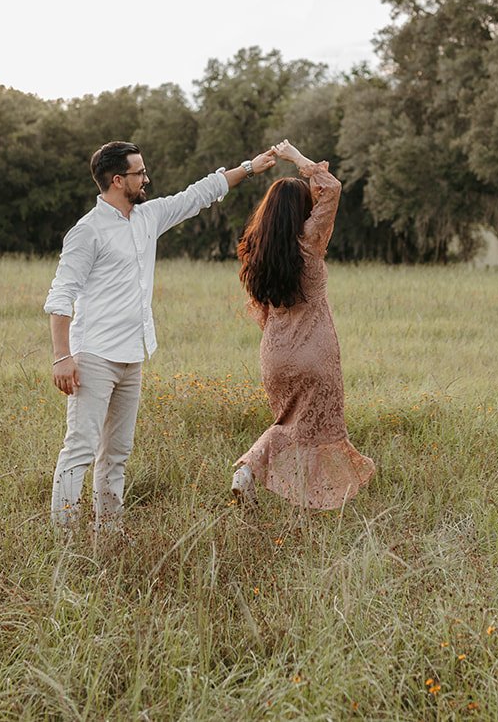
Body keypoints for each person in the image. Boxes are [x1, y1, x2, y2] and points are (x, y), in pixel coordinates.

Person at [44, 140, 278, 528]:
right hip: (93, 357)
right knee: (80, 450)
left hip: (132, 355)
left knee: (117, 452)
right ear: (118, 180)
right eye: (140, 173)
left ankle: (110, 532)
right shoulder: (87, 232)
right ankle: (63, 537)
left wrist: (250, 168)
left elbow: (199, 194)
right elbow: (60, 296)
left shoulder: (148, 217)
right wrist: (62, 356)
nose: (146, 178)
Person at [231, 139, 375, 509]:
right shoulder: (310, 244)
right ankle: (262, 473)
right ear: (302, 213)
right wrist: (296, 158)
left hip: (275, 355)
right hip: (315, 352)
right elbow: (332, 188)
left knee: (290, 424)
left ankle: (275, 484)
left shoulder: (258, 253)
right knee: (317, 430)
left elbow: (263, 311)